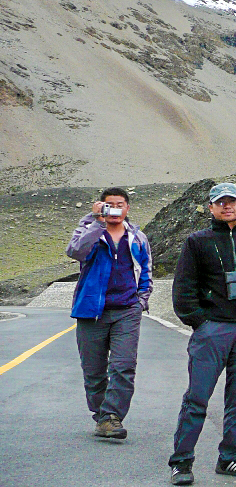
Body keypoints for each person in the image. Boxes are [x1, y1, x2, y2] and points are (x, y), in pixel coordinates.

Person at [168, 183, 236, 485]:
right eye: (221, 202)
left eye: (232, 201)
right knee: (197, 398)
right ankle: (181, 462)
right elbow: (184, 287)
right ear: (211, 208)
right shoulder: (197, 242)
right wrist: (199, 322)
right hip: (212, 331)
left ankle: (230, 458)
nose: (227, 207)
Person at [66, 187, 152, 440]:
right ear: (100, 206)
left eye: (120, 204)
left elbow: (146, 269)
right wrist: (96, 223)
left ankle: (112, 417)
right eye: (109, 205)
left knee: (124, 366)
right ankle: (102, 416)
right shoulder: (89, 230)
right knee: (93, 371)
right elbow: (76, 252)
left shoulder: (137, 237)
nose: (115, 209)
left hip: (127, 310)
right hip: (91, 312)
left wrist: (141, 301)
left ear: (127, 208)